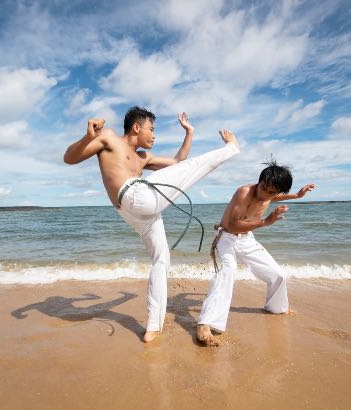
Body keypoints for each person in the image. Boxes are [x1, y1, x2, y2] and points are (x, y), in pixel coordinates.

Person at [63, 106, 239, 342]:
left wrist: (189, 133)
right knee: (189, 170)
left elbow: (178, 161)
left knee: (161, 260)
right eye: (151, 129)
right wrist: (88, 136)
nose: (154, 135)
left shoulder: (143, 158)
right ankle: (231, 149)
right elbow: (69, 158)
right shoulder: (109, 138)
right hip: (133, 201)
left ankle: (153, 326)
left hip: (141, 209)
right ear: (136, 127)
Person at [196, 159, 315, 346]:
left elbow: (272, 197)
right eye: (263, 188)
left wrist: (297, 196)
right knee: (226, 273)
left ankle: (276, 308)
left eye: (272, 192)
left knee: (278, 275)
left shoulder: (269, 195)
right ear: (259, 182)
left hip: (247, 239)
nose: (265, 194)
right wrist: (267, 221)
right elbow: (234, 225)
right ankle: (205, 324)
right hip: (226, 238)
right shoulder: (244, 192)